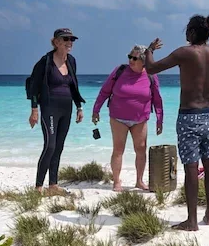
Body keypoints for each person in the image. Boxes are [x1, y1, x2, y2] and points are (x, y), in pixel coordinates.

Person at [144, 14, 209, 231]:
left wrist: (149, 51)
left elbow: (151, 68)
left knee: (191, 167)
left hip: (189, 116)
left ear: (190, 32)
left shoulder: (184, 53)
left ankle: (191, 221)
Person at [91, 45, 164, 192]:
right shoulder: (120, 71)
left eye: (135, 58)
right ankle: (116, 182)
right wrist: (96, 110)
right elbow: (104, 91)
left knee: (141, 149)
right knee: (118, 149)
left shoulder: (150, 75)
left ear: (144, 62)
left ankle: (139, 181)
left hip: (141, 119)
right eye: (129, 56)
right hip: (118, 118)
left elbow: (157, 99)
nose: (131, 60)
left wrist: (159, 119)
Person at [27, 28, 85, 195]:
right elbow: (33, 87)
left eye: (72, 39)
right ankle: (38, 187)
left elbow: (74, 85)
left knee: (59, 147)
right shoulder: (45, 61)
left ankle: (53, 185)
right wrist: (34, 110)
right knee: (50, 146)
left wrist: (79, 107)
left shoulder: (71, 61)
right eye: (66, 39)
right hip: (49, 108)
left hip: (67, 109)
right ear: (56, 42)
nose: (69, 42)